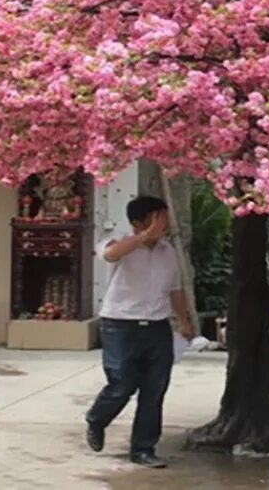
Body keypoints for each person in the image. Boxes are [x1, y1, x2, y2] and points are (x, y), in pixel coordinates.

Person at [85, 195, 193, 468]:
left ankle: (143, 448)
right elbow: (110, 255)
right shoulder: (117, 241)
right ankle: (97, 418)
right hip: (120, 326)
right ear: (139, 222)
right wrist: (143, 237)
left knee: (154, 390)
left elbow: (175, 289)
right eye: (160, 217)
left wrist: (184, 320)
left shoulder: (168, 251)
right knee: (122, 383)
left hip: (157, 327)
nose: (166, 223)